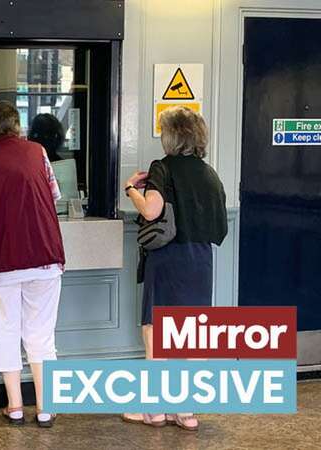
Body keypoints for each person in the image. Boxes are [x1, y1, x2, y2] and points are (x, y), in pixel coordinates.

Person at [0, 101, 66, 427]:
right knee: (41, 334)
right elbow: (55, 195)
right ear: (17, 126)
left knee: (3, 329)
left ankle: (16, 406)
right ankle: (45, 408)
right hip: (44, 255)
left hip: (1, 259)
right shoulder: (39, 153)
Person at [122, 106, 227, 431]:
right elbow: (220, 226)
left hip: (168, 260)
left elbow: (152, 212)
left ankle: (153, 411)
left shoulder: (162, 168)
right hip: (200, 260)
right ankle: (186, 412)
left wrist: (131, 191)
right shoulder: (210, 174)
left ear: (171, 137)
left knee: (156, 334)